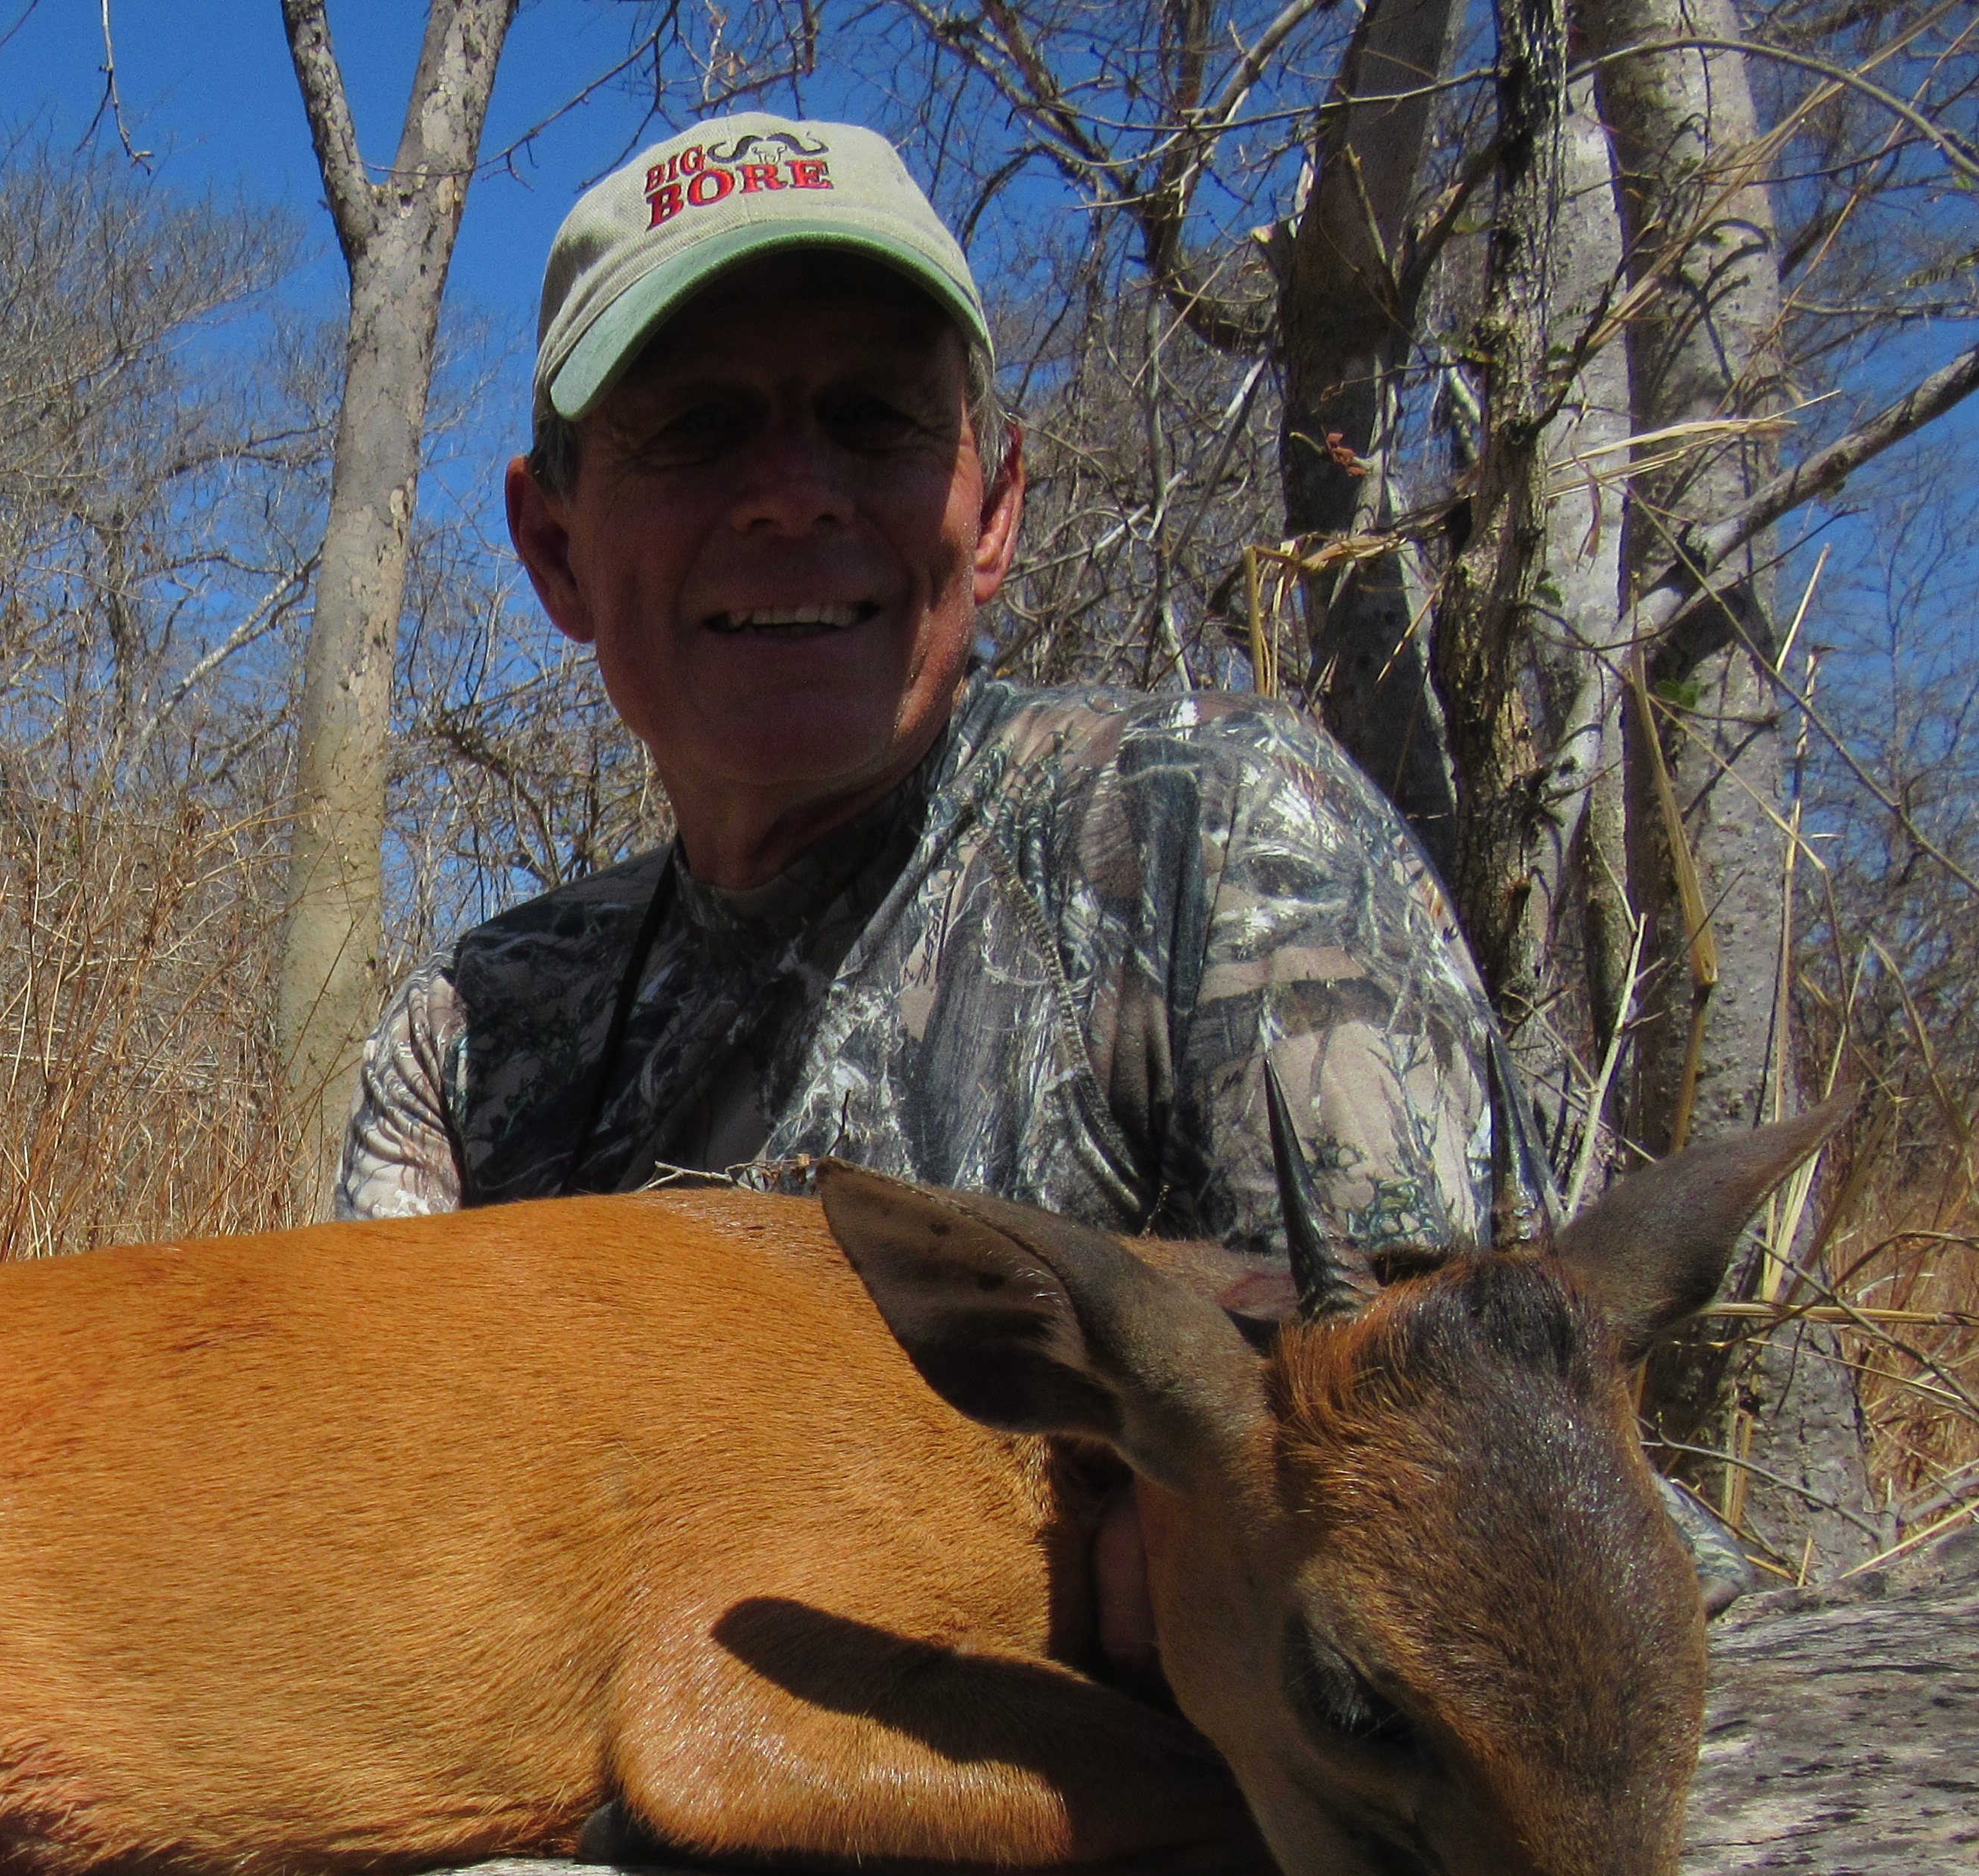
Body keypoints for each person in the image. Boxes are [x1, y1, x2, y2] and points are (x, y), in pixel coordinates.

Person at [335, 114, 1526, 1269]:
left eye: (874, 419)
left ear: (995, 510)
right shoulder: (473, 1040)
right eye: (700, 426)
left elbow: (1397, 1442)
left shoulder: (1219, 844)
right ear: (554, 550)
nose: (795, 493)